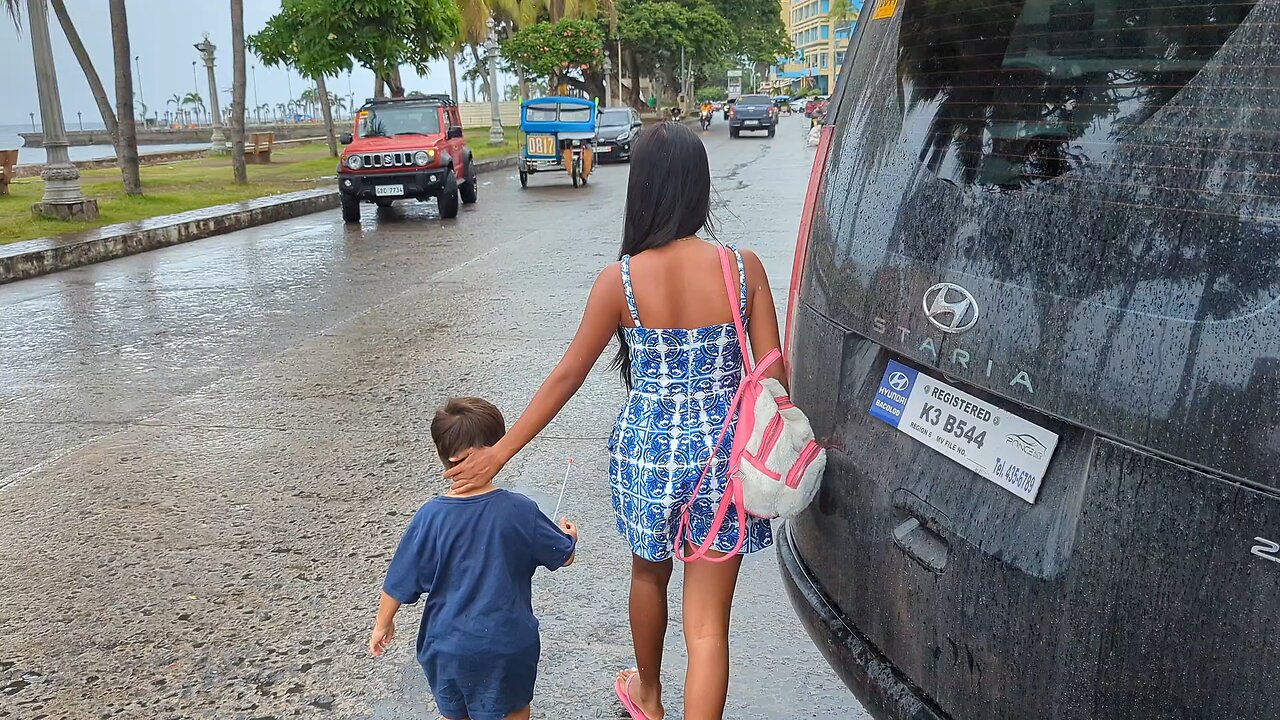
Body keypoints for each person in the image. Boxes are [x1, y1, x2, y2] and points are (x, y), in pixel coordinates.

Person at [445, 122, 786, 720]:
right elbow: (775, 377)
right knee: (707, 631)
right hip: (725, 460)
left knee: (648, 579)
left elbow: (566, 377)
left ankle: (648, 697)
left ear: (643, 191)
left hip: (648, 457)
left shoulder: (620, 281)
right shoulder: (743, 268)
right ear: (698, 189)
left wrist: (501, 454)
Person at [370, 397, 579, 720]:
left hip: (446, 647)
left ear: (448, 458)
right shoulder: (519, 510)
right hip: (507, 646)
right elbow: (563, 556)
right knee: (514, 711)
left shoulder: (430, 517)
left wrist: (383, 625)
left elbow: (399, 581)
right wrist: (569, 536)